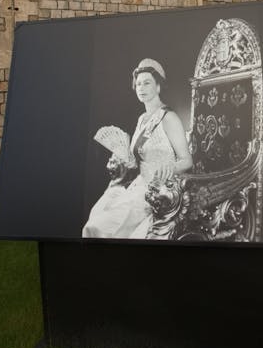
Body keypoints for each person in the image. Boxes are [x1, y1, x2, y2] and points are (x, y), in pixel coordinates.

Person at [82, 58, 192, 239]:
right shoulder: (142, 119)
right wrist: (124, 159)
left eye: (147, 83)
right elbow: (138, 158)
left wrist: (170, 167)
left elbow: (187, 160)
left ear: (158, 87)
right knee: (96, 220)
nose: (141, 88)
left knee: (103, 228)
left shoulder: (169, 118)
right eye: (138, 84)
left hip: (159, 191)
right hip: (137, 186)